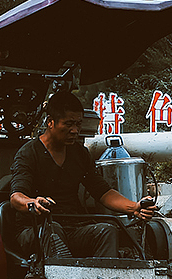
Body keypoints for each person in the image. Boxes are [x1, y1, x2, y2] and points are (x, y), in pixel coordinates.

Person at [10, 90, 156, 259]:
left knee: (106, 231)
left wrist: (134, 207)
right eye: (68, 124)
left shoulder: (80, 154)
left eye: (78, 124)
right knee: (53, 230)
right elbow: (16, 198)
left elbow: (102, 192)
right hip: (35, 229)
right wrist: (32, 203)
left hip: (73, 228)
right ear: (50, 122)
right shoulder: (28, 153)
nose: (75, 130)